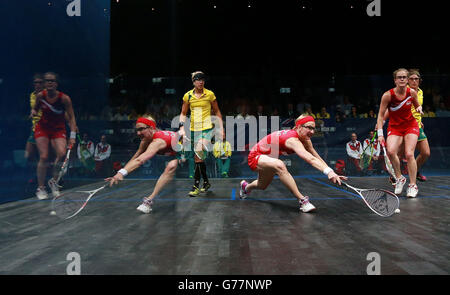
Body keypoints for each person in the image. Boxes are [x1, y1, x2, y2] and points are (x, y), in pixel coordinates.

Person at [239, 115, 346, 213]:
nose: (312, 132)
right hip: (256, 156)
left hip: (270, 159)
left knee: (261, 186)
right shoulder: (292, 139)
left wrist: (331, 172)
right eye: (308, 127)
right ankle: (302, 200)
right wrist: (327, 172)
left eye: (313, 128)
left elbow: (316, 157)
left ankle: (246, 187)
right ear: (299, 127)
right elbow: (310, 159)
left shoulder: (306, 140)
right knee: (280, 165)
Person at [105, 115, 184, 213]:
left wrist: (122, 173)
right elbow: (136, 157)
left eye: (141, 129)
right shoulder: (145, 141)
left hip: (187, 149)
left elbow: (140, 160)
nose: (138, 133)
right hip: (175, 149)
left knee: (171, 166)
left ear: (151, 128)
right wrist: (120, 172)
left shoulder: (158, 141)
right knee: (171, 165)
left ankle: (149, 200)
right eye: (137, 130)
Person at [376, 68, 423, 198]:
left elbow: (417, 105)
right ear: (395, 80)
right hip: (395, 127)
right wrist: (380, 133)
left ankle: (413, 185)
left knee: (409, 154)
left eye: (404, 77)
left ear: (407, 80)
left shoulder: (412, 93)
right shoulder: (388, 95)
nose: (402, 79)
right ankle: (399, 178)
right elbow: (380, 116)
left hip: (410, 126)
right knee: (391, 152)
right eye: (399, 77)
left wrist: (419, 108)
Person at [30, 72, 77, 199]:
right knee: (44, 156)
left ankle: (53, 181)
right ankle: (40, 188)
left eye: (52, 81)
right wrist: (33, 111)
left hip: (58, 129)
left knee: (62, 154)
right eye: (47, 81)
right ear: (45, 84)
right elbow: (35, 108)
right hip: (43, 128)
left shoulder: (64, 98)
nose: (49, 83)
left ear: (56, 84)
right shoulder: (41, 96)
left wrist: (72, 136)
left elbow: (72, 118)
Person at [178, 71, 224, 197]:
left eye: (202, 79)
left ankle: (195, 186)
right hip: (193, 130)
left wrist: (221, 129)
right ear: (193, 82)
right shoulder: (187, 96)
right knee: (199, 159)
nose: (200, 81)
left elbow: (217, 111)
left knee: (199, 153)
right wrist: (181, 128)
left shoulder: (210, 95)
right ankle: (206, 183)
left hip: (207, 130)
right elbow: (183, 113)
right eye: (198, 79)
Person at [408, 69, 430, 182]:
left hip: (417, 126)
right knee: (402, 154)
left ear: (419, 81)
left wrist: (419, 120)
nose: (414, 81)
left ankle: (415, 171)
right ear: (408, 80)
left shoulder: (420, 92)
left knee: (426, 152)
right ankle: (396, 176)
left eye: (416, 79)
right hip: (405, 126)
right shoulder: (404, 91)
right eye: (411, 79)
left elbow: (416, 109)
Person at [24, 74, 44, 173]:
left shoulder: (47, 95)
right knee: (28, 154)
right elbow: (34, 109)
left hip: (46, 128)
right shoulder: (32, 95)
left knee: (44, 156)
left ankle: (45, 175)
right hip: (35, 128)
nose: (38, 84)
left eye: (40, 82)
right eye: (36, 82)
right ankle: (39, 171)